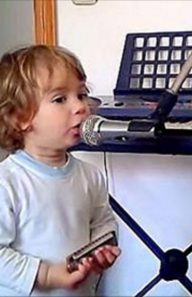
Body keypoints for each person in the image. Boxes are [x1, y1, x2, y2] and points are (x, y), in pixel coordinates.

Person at [0, 45, 121, 296]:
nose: (80, 107)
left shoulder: (91, 176)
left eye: (82, 94)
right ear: (20, 117)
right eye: (60, 99)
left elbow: (103, 221)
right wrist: (45, 274)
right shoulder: (7, 182)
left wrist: (102, 246)